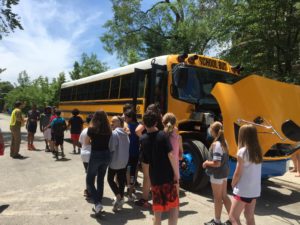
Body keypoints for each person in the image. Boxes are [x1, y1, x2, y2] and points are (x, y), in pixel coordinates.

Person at [141, 110, 179, 225]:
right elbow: (171, 155)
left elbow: (145, 161)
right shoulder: (162, 135)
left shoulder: (142, 139)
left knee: (157, 212)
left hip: (155, 179)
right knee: (173, 208)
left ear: (144, 123)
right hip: (168, 177)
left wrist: (149, 178)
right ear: (156, 122)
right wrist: (176, 174)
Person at [227, 124, 263, 225]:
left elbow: (238, 173)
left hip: (243, 190)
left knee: (233, 217)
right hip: (254, 191)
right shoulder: (258, 151)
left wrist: (233, 183)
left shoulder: (242, 152)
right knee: (249, 216)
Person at [202, 122, 231, 225]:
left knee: (217, 198)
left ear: (213, 131)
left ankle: (217, 221)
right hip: (224, 173)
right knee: (224, 196)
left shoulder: (216, 144)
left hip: (217, 174)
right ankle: (233, 219)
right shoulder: (224, 142)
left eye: (210, 129)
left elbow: (216, 163)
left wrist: (206, 163)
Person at [135, 103, 164, 208]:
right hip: (159, 149)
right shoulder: (161, 119)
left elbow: (137, 131)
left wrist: (145, 138)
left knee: (147, 177)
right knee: (157, 174)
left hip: (147, 150)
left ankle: (144, 199)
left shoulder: (148, 118)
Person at [85, 110, 112, 214]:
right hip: (106, 155)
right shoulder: (109, 129)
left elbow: (86, 142)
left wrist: (94, 141)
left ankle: (97, 203)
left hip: (96, 155)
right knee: (100, 179)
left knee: (89, 180)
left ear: (95, 118)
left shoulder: (91, 129)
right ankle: (98, 202)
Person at [107, 116, 130, 211]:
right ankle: (120, 201)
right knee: (121, 181)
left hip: (115, 161)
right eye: (111, 121)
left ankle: (118, 196)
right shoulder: (126, 133)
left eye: (114, 121)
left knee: (110, 179)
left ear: (120, 123)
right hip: (124, 161)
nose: (111, 123)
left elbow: (111, 148)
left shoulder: (114, 133)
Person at [162, 113, 183, 195]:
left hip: (164, 170)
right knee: (175, 194)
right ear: (175, 123)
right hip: (175, 170)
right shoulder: (179, 138)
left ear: (163, 122)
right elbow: (181, 156)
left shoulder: (161, 136)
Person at [124, 109, 140, 201]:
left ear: (130, 118)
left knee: (126, 171)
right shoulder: (139, 126)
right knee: (133, 173)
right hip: (135, 153)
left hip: (127, 153)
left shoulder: (126, 127)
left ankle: (125, 189)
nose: (125, 118)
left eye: (126, 117)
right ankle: (130, 193)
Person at [79, 114, 93, 198]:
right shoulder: (93, 131)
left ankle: (88, 190)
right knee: (92, 174)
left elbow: (80, 142)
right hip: (91, 154)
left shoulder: (84, 130)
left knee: (88, 173)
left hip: (84, 153)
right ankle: (89, 190)